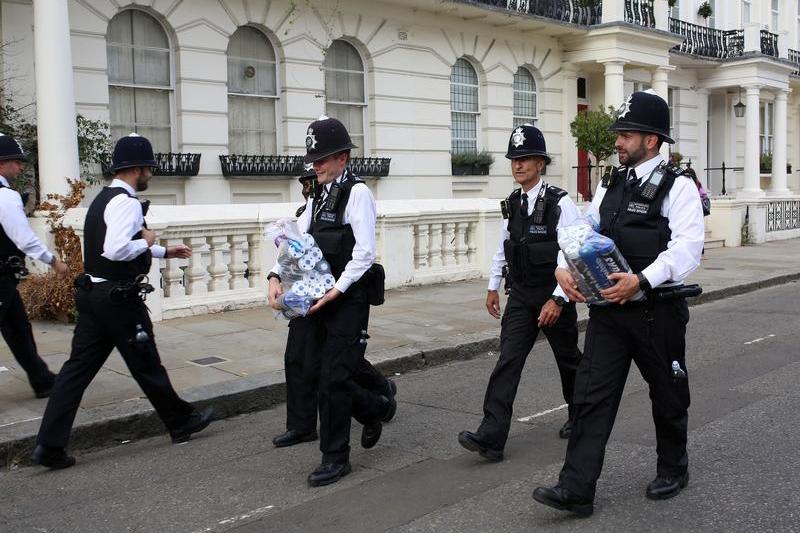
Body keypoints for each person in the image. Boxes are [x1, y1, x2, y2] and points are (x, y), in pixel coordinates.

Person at [533, 91, 704, 516]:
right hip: (609, 312)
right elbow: (580, 231)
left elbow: (688, 250)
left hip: (655, 311)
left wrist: (641, 280)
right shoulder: (611, 182)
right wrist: (562, 267)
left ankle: (673, 467)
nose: (618, 142)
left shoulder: (677, 186)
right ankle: (576, 488)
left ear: (651, 140)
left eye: (626, 134)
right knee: (591, 397)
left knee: (667, 394)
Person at [32, 134, 215, 469]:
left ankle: (49, 445)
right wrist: (148, 240)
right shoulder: (127, 203)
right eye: (150, 169)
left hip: (93, 296)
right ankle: (179, 422)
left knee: (75, 373)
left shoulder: (103, 198)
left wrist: (163, 251)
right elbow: (116, 249)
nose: (152, 175)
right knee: (147, 364)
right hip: (118, 301)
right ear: (139, 169)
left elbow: (108, 248)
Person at [268, 116, 395, 487]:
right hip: (315, 292)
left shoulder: (358, 194)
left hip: (347, 297)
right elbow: (296, 241)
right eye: (313, 159)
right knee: (304, 363)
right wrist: (275, 276)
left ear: (342, 157)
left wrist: (336, 292)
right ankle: (376, 408)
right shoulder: (319, 194)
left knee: (334, 379)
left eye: (322, 159)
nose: (316, 165)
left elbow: (364, 255)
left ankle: (335, 458)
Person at [457, 124, 582, 462]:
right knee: (508, 361)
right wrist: (492, 286)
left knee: (569, 361)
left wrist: (559, 298)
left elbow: (573, 253)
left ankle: (581, 415)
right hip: (523, 296)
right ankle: (491, 436)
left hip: (553, 294)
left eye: (526, 159)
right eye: (514, 159)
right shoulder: (513, 203)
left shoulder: (560, 202)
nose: (518, 165)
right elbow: (504, 247)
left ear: (540, 163)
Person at [0, 133, 69, 398]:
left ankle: (42, 380)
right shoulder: (6, 196)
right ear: (2, 163)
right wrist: (53, 261)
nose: (19, 167)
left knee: (18, 328)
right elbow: (24, 238)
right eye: (16, 162)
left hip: (5, 280)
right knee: (17, 328)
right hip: (1, 276)